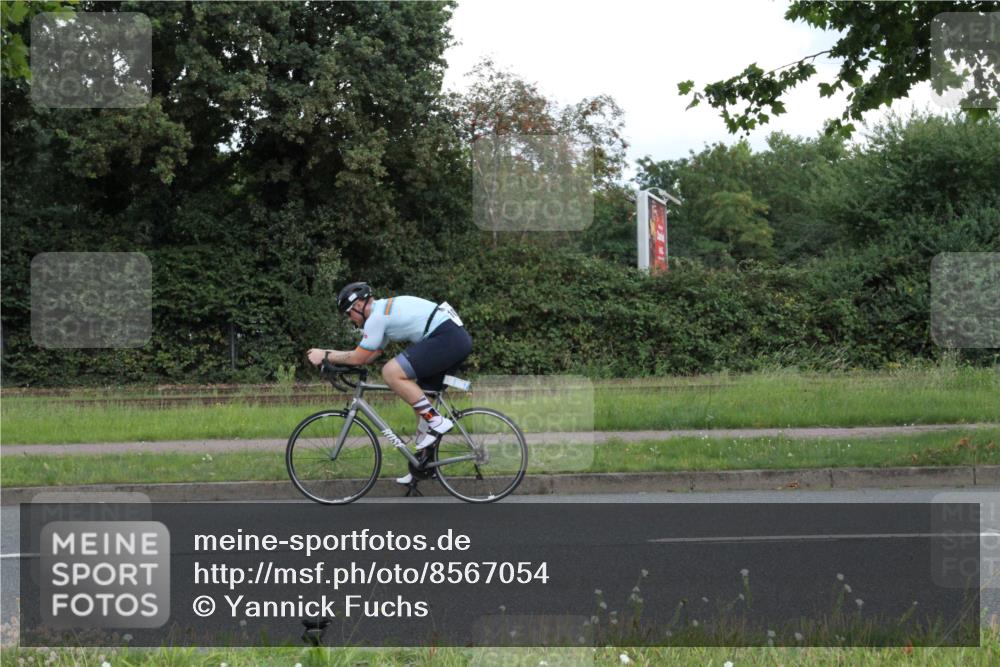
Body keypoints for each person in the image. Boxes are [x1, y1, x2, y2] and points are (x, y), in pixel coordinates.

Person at [306, 282, 472, 485]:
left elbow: (358, 357)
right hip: (452, 338)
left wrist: (325, 354)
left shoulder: (376, 318)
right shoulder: (382, 313)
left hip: (446, 337)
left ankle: (437, 421)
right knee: (421, 397)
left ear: (359, 305)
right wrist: (333, 361)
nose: (351, 320)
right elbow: (369, 354)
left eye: (349, 314)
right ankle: (423, 465)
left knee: (391, 372)